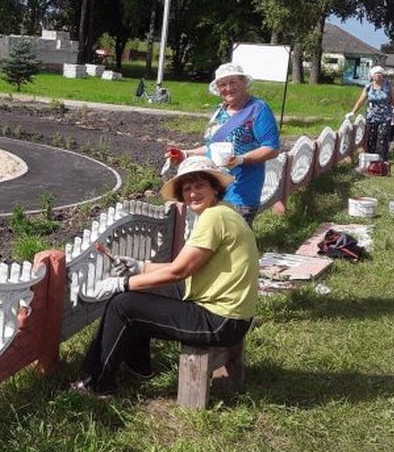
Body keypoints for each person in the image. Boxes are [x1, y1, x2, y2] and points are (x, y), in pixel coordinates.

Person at [72, 155, 258, 397]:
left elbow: (178, 272)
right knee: (142, 291)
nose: (193, 193)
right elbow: (182, 266)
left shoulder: (213, 218)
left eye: (199, 185)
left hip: (222, 320)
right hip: (230, 312)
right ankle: (138, 367)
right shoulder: (224, 211)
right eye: (187, 188)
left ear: (215, 187)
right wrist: (140, 267)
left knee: (122, 305)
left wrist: (121, 283)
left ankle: (96, 386)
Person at [168, 63, 280, 226]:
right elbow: (212, 148)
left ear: (243, 82)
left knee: (232, 242)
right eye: (222, 84)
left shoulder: (258, 109)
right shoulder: (221, 111)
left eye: (233, 82)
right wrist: (185, 153)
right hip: (214, 190)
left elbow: (271, 148)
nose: (228, 88)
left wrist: (241, 159)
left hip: (241, 192)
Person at [347, 65, 393, 161]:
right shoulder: (368, 87)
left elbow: (393, 99)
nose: (378, 76)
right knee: (371, 137)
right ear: (372, 76)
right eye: (376, 74)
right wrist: (353, 112)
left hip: (385, 116)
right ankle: (371, 158)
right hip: (372, 116)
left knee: (383, 136)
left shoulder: (388, 85)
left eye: (380, 74)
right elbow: (361, 100)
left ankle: (382, 159)